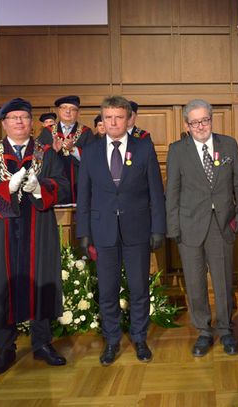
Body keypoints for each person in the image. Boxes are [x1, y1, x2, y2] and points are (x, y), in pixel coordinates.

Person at [0, 98, 70, 376]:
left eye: (24, 117)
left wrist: (40, 188)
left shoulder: (46, 153)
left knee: (40, 280)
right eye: (13, 118)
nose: (19, 122)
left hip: (38, 229)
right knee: (3, 283)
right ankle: (5, 348)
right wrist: (6, 188)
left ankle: (42, 344)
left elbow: (62, 185)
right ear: (4, 123)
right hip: (2, 230)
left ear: (31, 122)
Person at [76, 95, 166, 366]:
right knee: (107, 291)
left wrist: (158, 227)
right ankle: (112, 341)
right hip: (103, 231)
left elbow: (156, 193)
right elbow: (84, 196)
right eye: (108, 117)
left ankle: (139, 339)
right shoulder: (90, 151)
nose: (113, 122)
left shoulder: (143, 148)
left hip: (137, 230)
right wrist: (83, 233)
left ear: (128, 120)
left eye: (118, 117)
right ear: (102, 120)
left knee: (139, 288)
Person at [165, 99, 238, 357]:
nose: (201, 126)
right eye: (195, 122)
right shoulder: (177, 150)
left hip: (222, 225)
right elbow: (172, 193)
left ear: (212, 120)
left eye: (205, 120)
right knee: (195, 282)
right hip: (189, 226)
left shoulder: (228, 145)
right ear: (187, 125)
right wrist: (173, 229)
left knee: (224, 281)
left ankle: (225, 329)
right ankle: (203, 331)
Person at [37, 95, 96, 204]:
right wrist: (52, 151)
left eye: (72, 109)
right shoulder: (47, 132)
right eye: (64, 108)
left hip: (79, 182)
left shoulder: (86, 132)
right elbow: (37, 157)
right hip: (53, 181)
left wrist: (73, 149)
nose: (68, 111)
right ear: (58, 111)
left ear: (78, 113)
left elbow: (94, 158)